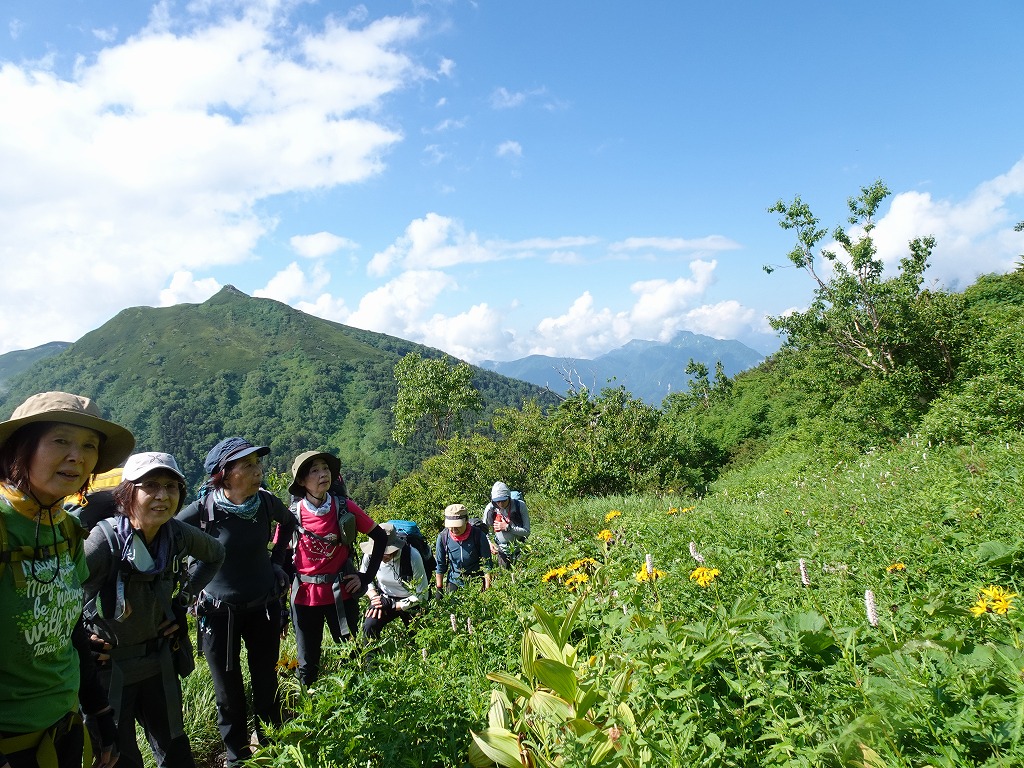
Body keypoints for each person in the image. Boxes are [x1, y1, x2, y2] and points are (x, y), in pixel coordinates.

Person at [0, 391, 134, 768]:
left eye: (89, 445)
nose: (77, 456)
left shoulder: (66, 528)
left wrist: (99, 713)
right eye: (61, 440)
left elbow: (70, 631)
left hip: (64, 728)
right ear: (20, 448)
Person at [83, 452, 225, 768]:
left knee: (176, 752)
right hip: (108, 673)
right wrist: (78, 638)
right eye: (150, 486)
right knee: (120, 759)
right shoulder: (102, 542)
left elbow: (215, 555)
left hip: (157, 663)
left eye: (171, 486)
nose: (163, 495)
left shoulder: (175, 534)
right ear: (128, 493)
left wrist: (181, 602)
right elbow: (61, 592)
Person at [176, 437, 295, 768]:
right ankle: (236, 758)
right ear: (225, 474)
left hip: (263, 607)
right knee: (228, 692)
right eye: (248, 465)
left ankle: (272, 750)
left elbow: (289, 524)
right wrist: (185, 584)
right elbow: (166, 536)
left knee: (266, 681)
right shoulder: (203, 511)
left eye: (258, 463)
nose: (258, 471)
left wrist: (277, 561)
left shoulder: (266, 502)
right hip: (218, 614)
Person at [288, 451, 387, 686]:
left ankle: (356, 700)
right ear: (301, 481)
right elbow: (280, 554)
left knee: (351, 656)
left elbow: (380, 537)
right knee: (307, 663)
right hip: (304, 598)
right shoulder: (293, 515)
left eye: (325, 468)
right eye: (314, 470)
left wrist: (365, 577)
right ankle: (309, 705)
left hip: (341, 595)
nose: (323, 474)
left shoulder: (344, 507)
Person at [360, 523, 428, 640]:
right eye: (378, 552)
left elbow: (422, 594)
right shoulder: (370, 555)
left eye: (385, 553)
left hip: (411, 600)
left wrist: (393, 606)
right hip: (384, 598)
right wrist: (375, 598)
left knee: (418, 637)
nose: (381, 557)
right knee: (369, 626)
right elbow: (365, 579)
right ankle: (372, 652)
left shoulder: (412, 556)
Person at [434, 504, 492, 593]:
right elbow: (440, 564)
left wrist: (488, 590)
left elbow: (487, 564)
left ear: (466, 521)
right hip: (454, 580)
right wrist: (439, 588)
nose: (454, 529)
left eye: (458, 526)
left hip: (476, 580)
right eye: (451, 526)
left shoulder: (478, 535)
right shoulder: (443, 537)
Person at [482, 482, 530, 568]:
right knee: (504, 573)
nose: (501, 504)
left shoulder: (520, 506)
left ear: (509, 497)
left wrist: (508, 528)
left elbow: (527, 532)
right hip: (502, 549)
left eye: (504, 500)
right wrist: (489, 543)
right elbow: (483, 531)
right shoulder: (490, 508)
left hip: (520, 548)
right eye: (497, 501)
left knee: (522, 572)